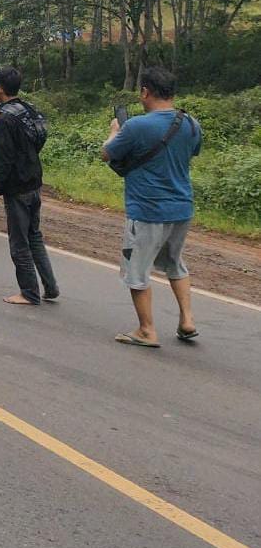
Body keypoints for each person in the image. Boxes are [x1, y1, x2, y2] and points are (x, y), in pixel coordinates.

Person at [102, 66, 203, 347]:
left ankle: (146, 330)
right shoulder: (192, 123)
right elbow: (190, 153)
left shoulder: (136, 126)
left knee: (136, 270)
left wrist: (113, 132)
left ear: (145, 92)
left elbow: (106, 154)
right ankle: (187, 320)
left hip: (147, 210)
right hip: (182, 207)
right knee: (175, 263)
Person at [0, 66, 59, 305]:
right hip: (34, 182)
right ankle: (50, 287)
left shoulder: (6, 122)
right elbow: (37, 138)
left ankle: (29, 292)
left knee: (19, 242)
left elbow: (2, 158)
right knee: (34, 236)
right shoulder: (30, 111)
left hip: (17, 187)